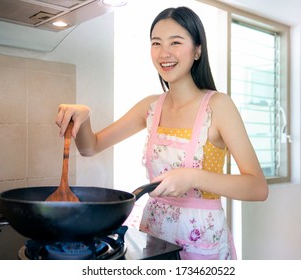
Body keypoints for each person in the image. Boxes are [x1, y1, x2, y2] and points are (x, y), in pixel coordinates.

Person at [55, 6, 268, 260]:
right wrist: (84, 115)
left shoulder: (218, 106)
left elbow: (257, 187)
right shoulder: (150, 107)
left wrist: (192, 177)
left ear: (197, 50)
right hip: (154, 235)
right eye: (156, 43)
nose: (164, 53)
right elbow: (90, 146)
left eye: (175, 42)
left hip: (201, 242)